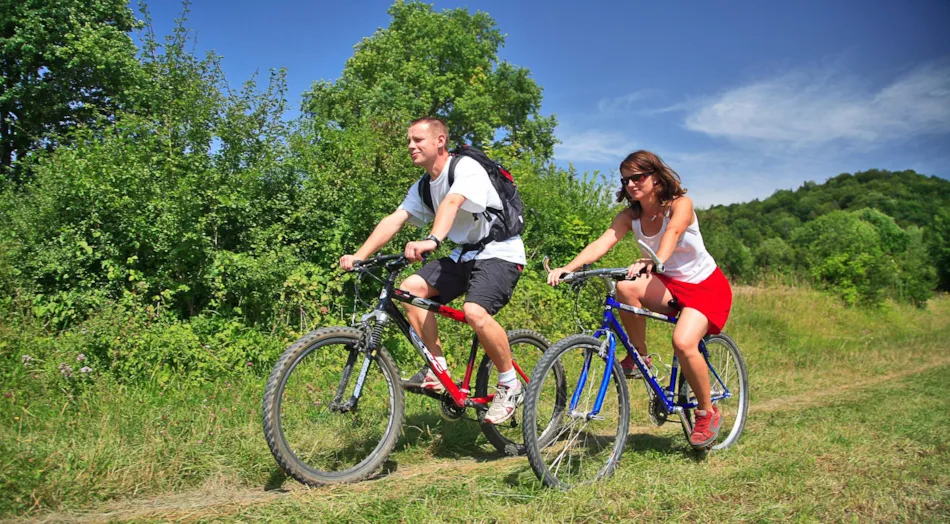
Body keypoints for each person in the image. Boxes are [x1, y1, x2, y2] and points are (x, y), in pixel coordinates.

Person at [339, 117, 527, 425]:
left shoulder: (464, 168)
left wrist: (432, 239)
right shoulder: (424, 186)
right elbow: (395, 219)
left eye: (418, 140)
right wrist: (360, 256)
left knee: (475, 312)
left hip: (500, 252)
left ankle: (510, 384)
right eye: (409, 141)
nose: (411, 146)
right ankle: (437, 370)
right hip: (464, 254)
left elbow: (452, 203)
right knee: (410, 289)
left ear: (440, 141)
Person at [546, 150, 733, 449]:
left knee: (684, 343)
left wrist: (653, 260)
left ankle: (706, 412)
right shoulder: (630, 216)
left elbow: (671, 233)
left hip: (705, 287)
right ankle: (639, 355)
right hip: (670, 283)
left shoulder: (680, 205)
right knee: (626, 289)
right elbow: (603, 242)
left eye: (638, 177)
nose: (631, 184)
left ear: (656, 177)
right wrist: (569, 268)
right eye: (626, 180)